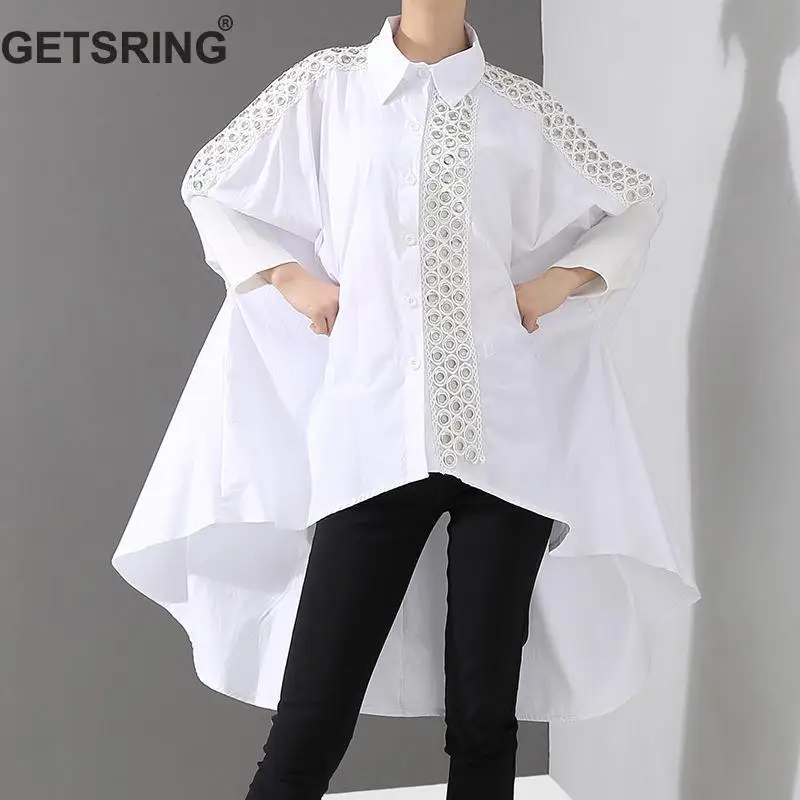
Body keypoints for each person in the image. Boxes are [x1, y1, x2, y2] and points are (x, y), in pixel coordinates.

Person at [111, 2, 701, 798]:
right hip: (371, 437)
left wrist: (555, 285)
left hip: (507, 443)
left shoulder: (518, 109)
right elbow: (209, 184)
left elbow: (637, 199)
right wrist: (288, 277)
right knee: (312, 715)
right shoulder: (327, 88)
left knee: (486, 721)